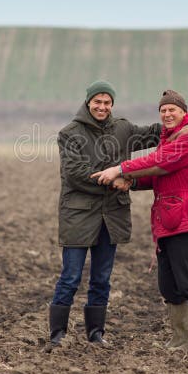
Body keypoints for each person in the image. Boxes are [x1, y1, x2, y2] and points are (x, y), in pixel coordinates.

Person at [92, 89, 188, 354]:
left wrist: (121, 168)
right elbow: (159, 174)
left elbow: (161, 161)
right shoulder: (170, 137)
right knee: (169, 285)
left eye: (172, 110)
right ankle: (179, 339)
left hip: (186, 217)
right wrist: (131, 181)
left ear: (183, 111)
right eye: (163, 110)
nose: (167, 114)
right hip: (167, 217)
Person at [48, 80, 161, 347]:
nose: (102, 107)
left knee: (101, 279)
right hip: (78, 216)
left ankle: (96, 334)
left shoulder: (123, 128)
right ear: (88, 103)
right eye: (97, 102)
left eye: (107, 102)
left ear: (112, 104)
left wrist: (184, 124)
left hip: (111, 216)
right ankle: (57, 336)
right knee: (71, 276)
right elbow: (75, 175)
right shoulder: (69, 133)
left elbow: (152, 134)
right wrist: (115, 177)